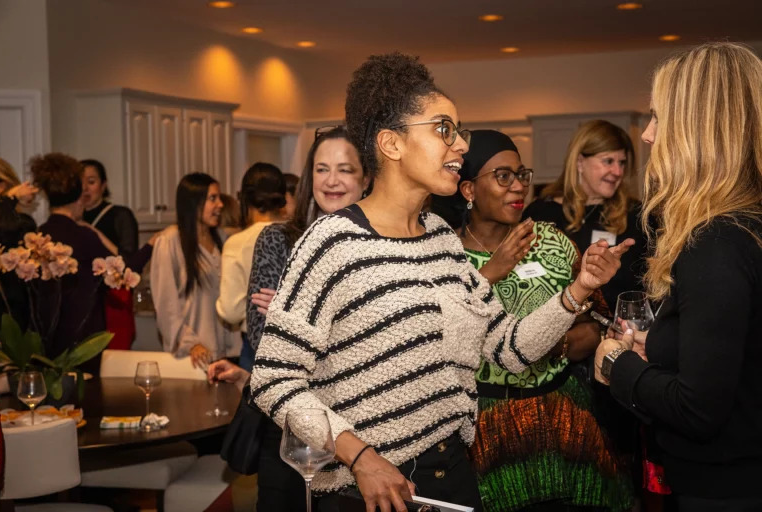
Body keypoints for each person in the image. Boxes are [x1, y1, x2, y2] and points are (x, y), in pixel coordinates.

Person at [250, 53, 633, 512]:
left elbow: (509, 349)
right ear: (392, 144)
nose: (460, 148)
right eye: (443, 130)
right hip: (369, 487)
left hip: (452, 473)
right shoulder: (332, 243)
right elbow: (273, 379)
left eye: (459, 132)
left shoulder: (441, 241)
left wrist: (579, 290)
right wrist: (361, 457)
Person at [595, 42, 762, 511]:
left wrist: (617, 364)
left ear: (699, 128)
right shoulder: (745, 224)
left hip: (726, 491)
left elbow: (698, 410)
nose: (646, 136)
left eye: (658, 117)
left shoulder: (715, 241)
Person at [458, 130, 634, 511]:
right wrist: (491, 272)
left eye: (522, 174)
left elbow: (597, 323)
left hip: (563, 419)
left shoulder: (553, 241)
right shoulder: (445, 256)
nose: (518, 186)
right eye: (502, 176)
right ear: (469, 189)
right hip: (485, 429)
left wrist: (562, 344)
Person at [217, 127, 369, 512]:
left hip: (358, 421)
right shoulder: (278, 238)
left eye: (345, 169)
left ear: (366, 178)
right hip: (288, 421)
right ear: (308, 178)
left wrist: (288, 312)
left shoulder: (377, 246)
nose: (332, 180)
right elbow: (262, 334)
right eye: (321, 169)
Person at [31, 153, 155, 373]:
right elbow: (123, 274)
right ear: (79, 198)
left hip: (46, 341)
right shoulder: (83, 236)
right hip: (83, 339)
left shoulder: (38, 236)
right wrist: (151, 246)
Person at [523, 120, 649, 310]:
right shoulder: (540, 213)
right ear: (580, 162)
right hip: (555, 331)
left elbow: (649, 287)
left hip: (620, 333)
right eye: (608, 161)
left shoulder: (636, 215)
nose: (617, 172)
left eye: (621, 163)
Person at [150, 172, 240, 367]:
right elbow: (166, 305)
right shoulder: (170, 242)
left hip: (229, 355)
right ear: (193, 203)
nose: (220, 205)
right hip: (195, 358)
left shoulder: (222, 240)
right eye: (212, 199)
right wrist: (190, 344)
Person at [216, 162, 287, 371]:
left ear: (245, 200)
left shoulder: (237, 243)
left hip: (257, 347)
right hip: (297, 346)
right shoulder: (301, 234)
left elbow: (230, 311)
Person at [81, 159, 144, 350]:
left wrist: (93, 233)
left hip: (113, 303)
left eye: (91, 182)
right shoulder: (72, 218)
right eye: (80, 182)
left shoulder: (120, 215)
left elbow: (129, 262)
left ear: (104, 185)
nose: (85, 188)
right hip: (84, 304)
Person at [0, 156, 38, 335]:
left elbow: (1, 229)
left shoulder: (22, 223)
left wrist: (7, 201)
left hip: (12, 314)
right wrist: (9, 200)